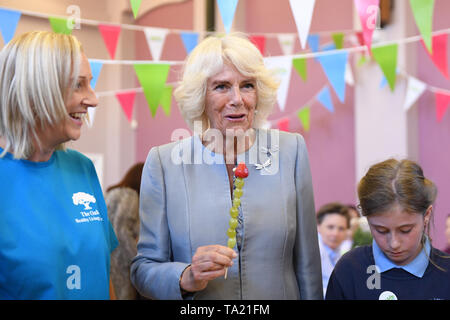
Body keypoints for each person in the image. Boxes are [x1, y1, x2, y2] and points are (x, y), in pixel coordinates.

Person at [130, 33, 322, 300]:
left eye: (247, 85)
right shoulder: (164, 164)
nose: (237, 99)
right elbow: (143, 270)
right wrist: (186, 276)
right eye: (221, 86)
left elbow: (308, 264)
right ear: (201, 96)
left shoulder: (291, 152)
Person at [0, 31, 118, 299]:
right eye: (78, 85)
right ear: (34, 90)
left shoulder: (82, 168)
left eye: (90, 83)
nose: (93, 99)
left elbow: (102, 273)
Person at [326, 159, 450, 300]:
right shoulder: (350, 269)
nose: (394, 244)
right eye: (381, 230)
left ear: (426, 215)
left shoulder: (446, 272)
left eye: (405, 230)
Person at [105, 162, 144, 300]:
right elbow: (121, 232)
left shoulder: (113, 193)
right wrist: (140, 261)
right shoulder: (130, 195)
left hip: (107, 261)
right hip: (119, 265)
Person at [316, 202, 350, 296]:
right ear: (318, 226)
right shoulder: (314, 251)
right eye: (330, 227)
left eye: (341, 229)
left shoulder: (338, 252)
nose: (335, 233)